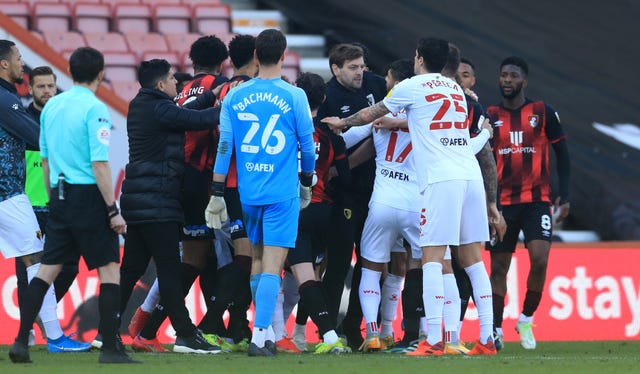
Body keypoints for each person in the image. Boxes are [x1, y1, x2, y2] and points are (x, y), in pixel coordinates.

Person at [323, 37, 499, 356]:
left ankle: (432, 340)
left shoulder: (413, 86)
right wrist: (486, 134)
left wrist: (341, 121)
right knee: (472, 260)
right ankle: (487, 338)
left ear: (418, 59)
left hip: (440, 180)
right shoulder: (455, 90)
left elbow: (369, 115)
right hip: (470, 175)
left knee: (431, 258)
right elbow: (458, 137)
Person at [9, 46, 136, 364]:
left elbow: (46, 160)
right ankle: (110, 349)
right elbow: (100, 164)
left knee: (46, 270)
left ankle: (20, 341)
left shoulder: (52, 108)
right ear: (101, 73)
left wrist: (55, 201)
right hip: (89, 196)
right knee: (109, 271)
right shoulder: (96, 109)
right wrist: (111, 209)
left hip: (59, 197)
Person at [205, 28, 316, 357]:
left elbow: (225, 147)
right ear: (283, 55)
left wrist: (216, 191)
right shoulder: (294, 96)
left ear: (255, 56)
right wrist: (306, 180)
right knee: (273, 263)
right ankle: (258, 337)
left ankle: (264, 331)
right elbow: (307, 147)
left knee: (255, 258)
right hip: (282, 193)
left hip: (248, 192)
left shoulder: (235, 95)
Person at [129, 35, 229, 349]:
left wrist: (210, 96)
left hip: (167, 191)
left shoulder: (177, 92)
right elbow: (195, 119)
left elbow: (186, 111)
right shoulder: (218, 85)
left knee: (192, 258)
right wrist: (226, 106)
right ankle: (182, 330)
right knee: (195, 260)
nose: (175, 81)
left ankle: (141, 325)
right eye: (171, 78)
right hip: (190, 187)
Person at [486, 56, 570, 350]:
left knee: (540, 259)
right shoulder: (490, 115)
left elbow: (563, 154)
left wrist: (566, 194)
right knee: (498, 267)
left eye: (513, 76)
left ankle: (525, 317)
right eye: (503, 75)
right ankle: (495, 328)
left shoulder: (542, 112)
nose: (507, 80)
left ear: (524, 81)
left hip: (537, 200)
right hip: (502, 204)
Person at [316, 43, 387, 349]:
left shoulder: (374, 84)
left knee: (372, 264)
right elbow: (335, 145)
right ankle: (329, 331)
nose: (361, 73)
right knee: (340, 261)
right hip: (344, 193)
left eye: (362, 66)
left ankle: (354, 326)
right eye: (353, 68)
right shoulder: (328, 97)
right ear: (336, 69)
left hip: (378, 190)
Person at [277, 72, 351, 354]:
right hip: (321, 211)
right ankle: (300, 334)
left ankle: (275, 334)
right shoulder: (330, 136)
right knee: (310, 275)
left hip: (287, 210)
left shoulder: (284, 129)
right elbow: (345, 178)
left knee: (277, 271)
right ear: (323, 99)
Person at [13, 66, 85, 351]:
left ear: (56, 88)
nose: (46, 91)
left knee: (68, 268)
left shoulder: (63, 119)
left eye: (50, 86)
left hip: (59, 205)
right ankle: (27, 329)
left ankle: (41, 318)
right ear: (30, 89)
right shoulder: (19, 118)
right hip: (27, 205)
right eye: (40, 86)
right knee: (27, 272)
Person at [195, 34, 258, 349]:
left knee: (234, 258)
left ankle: (237, 327)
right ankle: (211, 325)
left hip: (218, 184)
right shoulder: (256, 91)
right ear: (257, 58)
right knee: (247, 257)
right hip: (246, 184)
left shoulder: (220, 90)